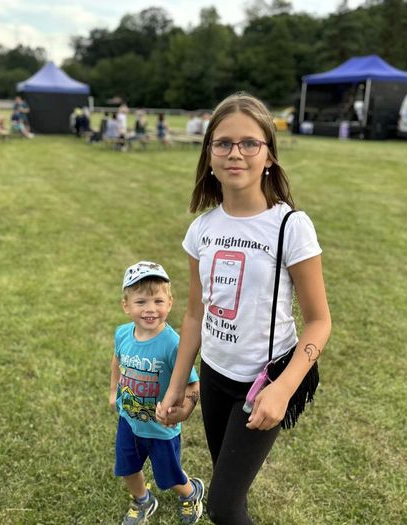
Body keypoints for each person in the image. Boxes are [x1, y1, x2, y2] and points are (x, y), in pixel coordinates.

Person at [156, 92, 332, 524]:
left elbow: (319, 322)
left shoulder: (290, 226)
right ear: (209, 155)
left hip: (263, 381)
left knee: (222, 505)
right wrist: (179, 385)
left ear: (268, 155)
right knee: (228, 485)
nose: (235, 153)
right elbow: (194, 314)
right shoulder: (202, 229)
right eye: (223, 143)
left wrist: (283, 389)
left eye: (249, 143)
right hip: (215, 376)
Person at [111, 261, 205, 525]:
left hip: (161, 429)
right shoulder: (122, 334)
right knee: (127, 467)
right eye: (141, 302)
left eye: (158, 301)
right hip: (129, 420)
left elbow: (193, 385)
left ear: (170, 303)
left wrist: (182, 410)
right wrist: (113, 390)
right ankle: (143, 499)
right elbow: (117, 360)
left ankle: (191, 492)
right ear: (126, 305)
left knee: (169, 476)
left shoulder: (173, 344)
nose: (150, 309)